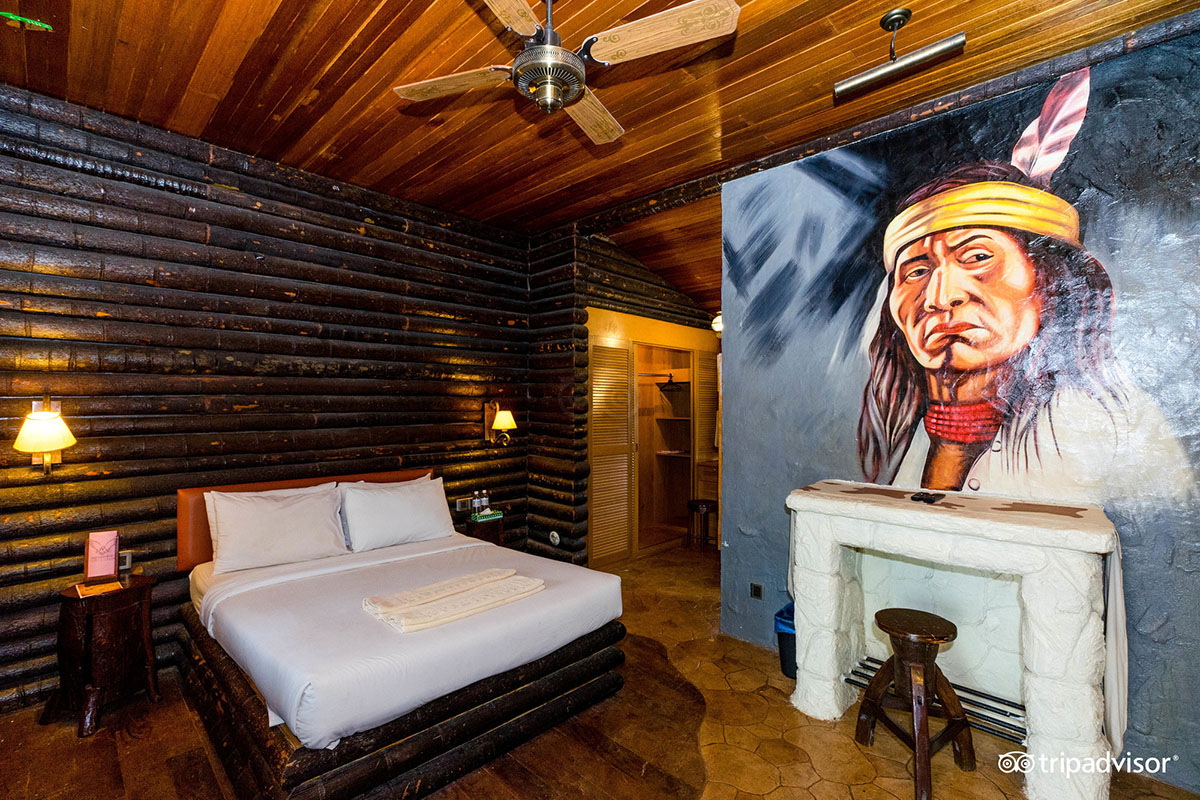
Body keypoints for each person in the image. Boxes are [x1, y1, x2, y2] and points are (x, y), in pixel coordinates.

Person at [856, 159, 1192, 506]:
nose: (940, 297)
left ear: (1048, 278)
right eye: (916, 272)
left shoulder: (1108, 428)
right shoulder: (914, 433)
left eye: (977, 257)